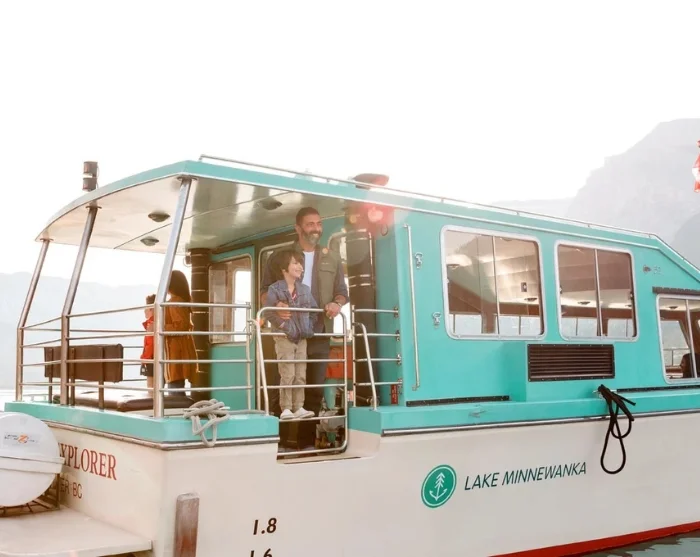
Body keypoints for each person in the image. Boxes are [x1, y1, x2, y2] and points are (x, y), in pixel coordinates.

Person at [260, 207, 348, 447]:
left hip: (318, 331)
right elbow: (264, 291)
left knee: (314, 388)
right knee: (285, 384)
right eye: (310, 224)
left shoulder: (332, 258)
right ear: (298, 228)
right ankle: (279, 442)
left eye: (318, 224)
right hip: (288, 330)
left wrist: (336, 304)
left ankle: (306, 443)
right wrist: (276, 304)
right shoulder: (279, 257)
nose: (316, 229)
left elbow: (342, 292)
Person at [265, 249, 318, 420]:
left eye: (300, 263)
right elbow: (268, 312)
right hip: (283, 337)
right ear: (284, 268)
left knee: (300, 373)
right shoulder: (275, 289)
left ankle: (299, 406)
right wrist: (283, 325)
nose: (300, 267)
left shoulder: (305, 290)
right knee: (287, 373)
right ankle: (286, 407)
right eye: (295, 263)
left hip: (301, 337)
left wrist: (308, 328)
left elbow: (314, 311)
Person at [162, 270, 198, 394]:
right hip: (179, 349)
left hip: (176, 350)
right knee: (175, 384)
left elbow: (181, 326)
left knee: (175, 386)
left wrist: (161, 327)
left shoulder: (175, 302)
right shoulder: (181, 301)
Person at [140, 293, 156, 394]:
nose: (144, 310)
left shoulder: (152, 324)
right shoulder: (158, 321)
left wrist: (144, 358)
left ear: (151, 309)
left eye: (146, 307)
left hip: (151, 360)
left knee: (151, 389)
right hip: (154, 358)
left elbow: (150, 344)